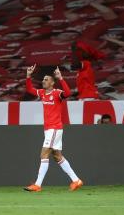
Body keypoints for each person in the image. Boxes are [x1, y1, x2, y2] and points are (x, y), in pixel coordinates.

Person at [24, 64, 83, 192]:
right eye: (43, 79)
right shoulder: (42, 93)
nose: (43, 81)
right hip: (49, 129)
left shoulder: (57, 93)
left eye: (46, 79)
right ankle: (76, 180)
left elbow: (68, 93)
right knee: (57, 156)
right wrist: (28, 76)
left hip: (54, 128)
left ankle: (38, 185)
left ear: (52, 83)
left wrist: (61, 78)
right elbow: (30, 90)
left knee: (44, 153)